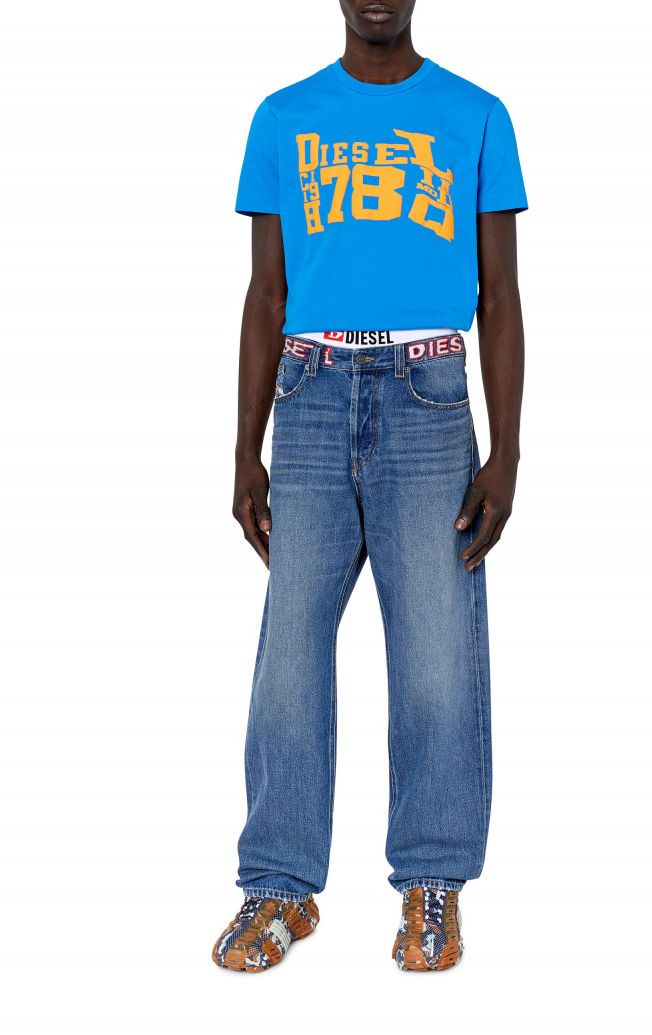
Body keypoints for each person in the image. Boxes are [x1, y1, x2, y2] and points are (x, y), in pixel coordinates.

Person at [212, 0, 527, 972]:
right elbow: (266, 293)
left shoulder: (476, 115)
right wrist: (245, 448)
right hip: (307, 396)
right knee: (289, 657)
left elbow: (500, 297)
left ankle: (431, 884)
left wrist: (506, 451)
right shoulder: (282, 117)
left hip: (428, 399)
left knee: (436, 654)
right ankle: (278, 888)